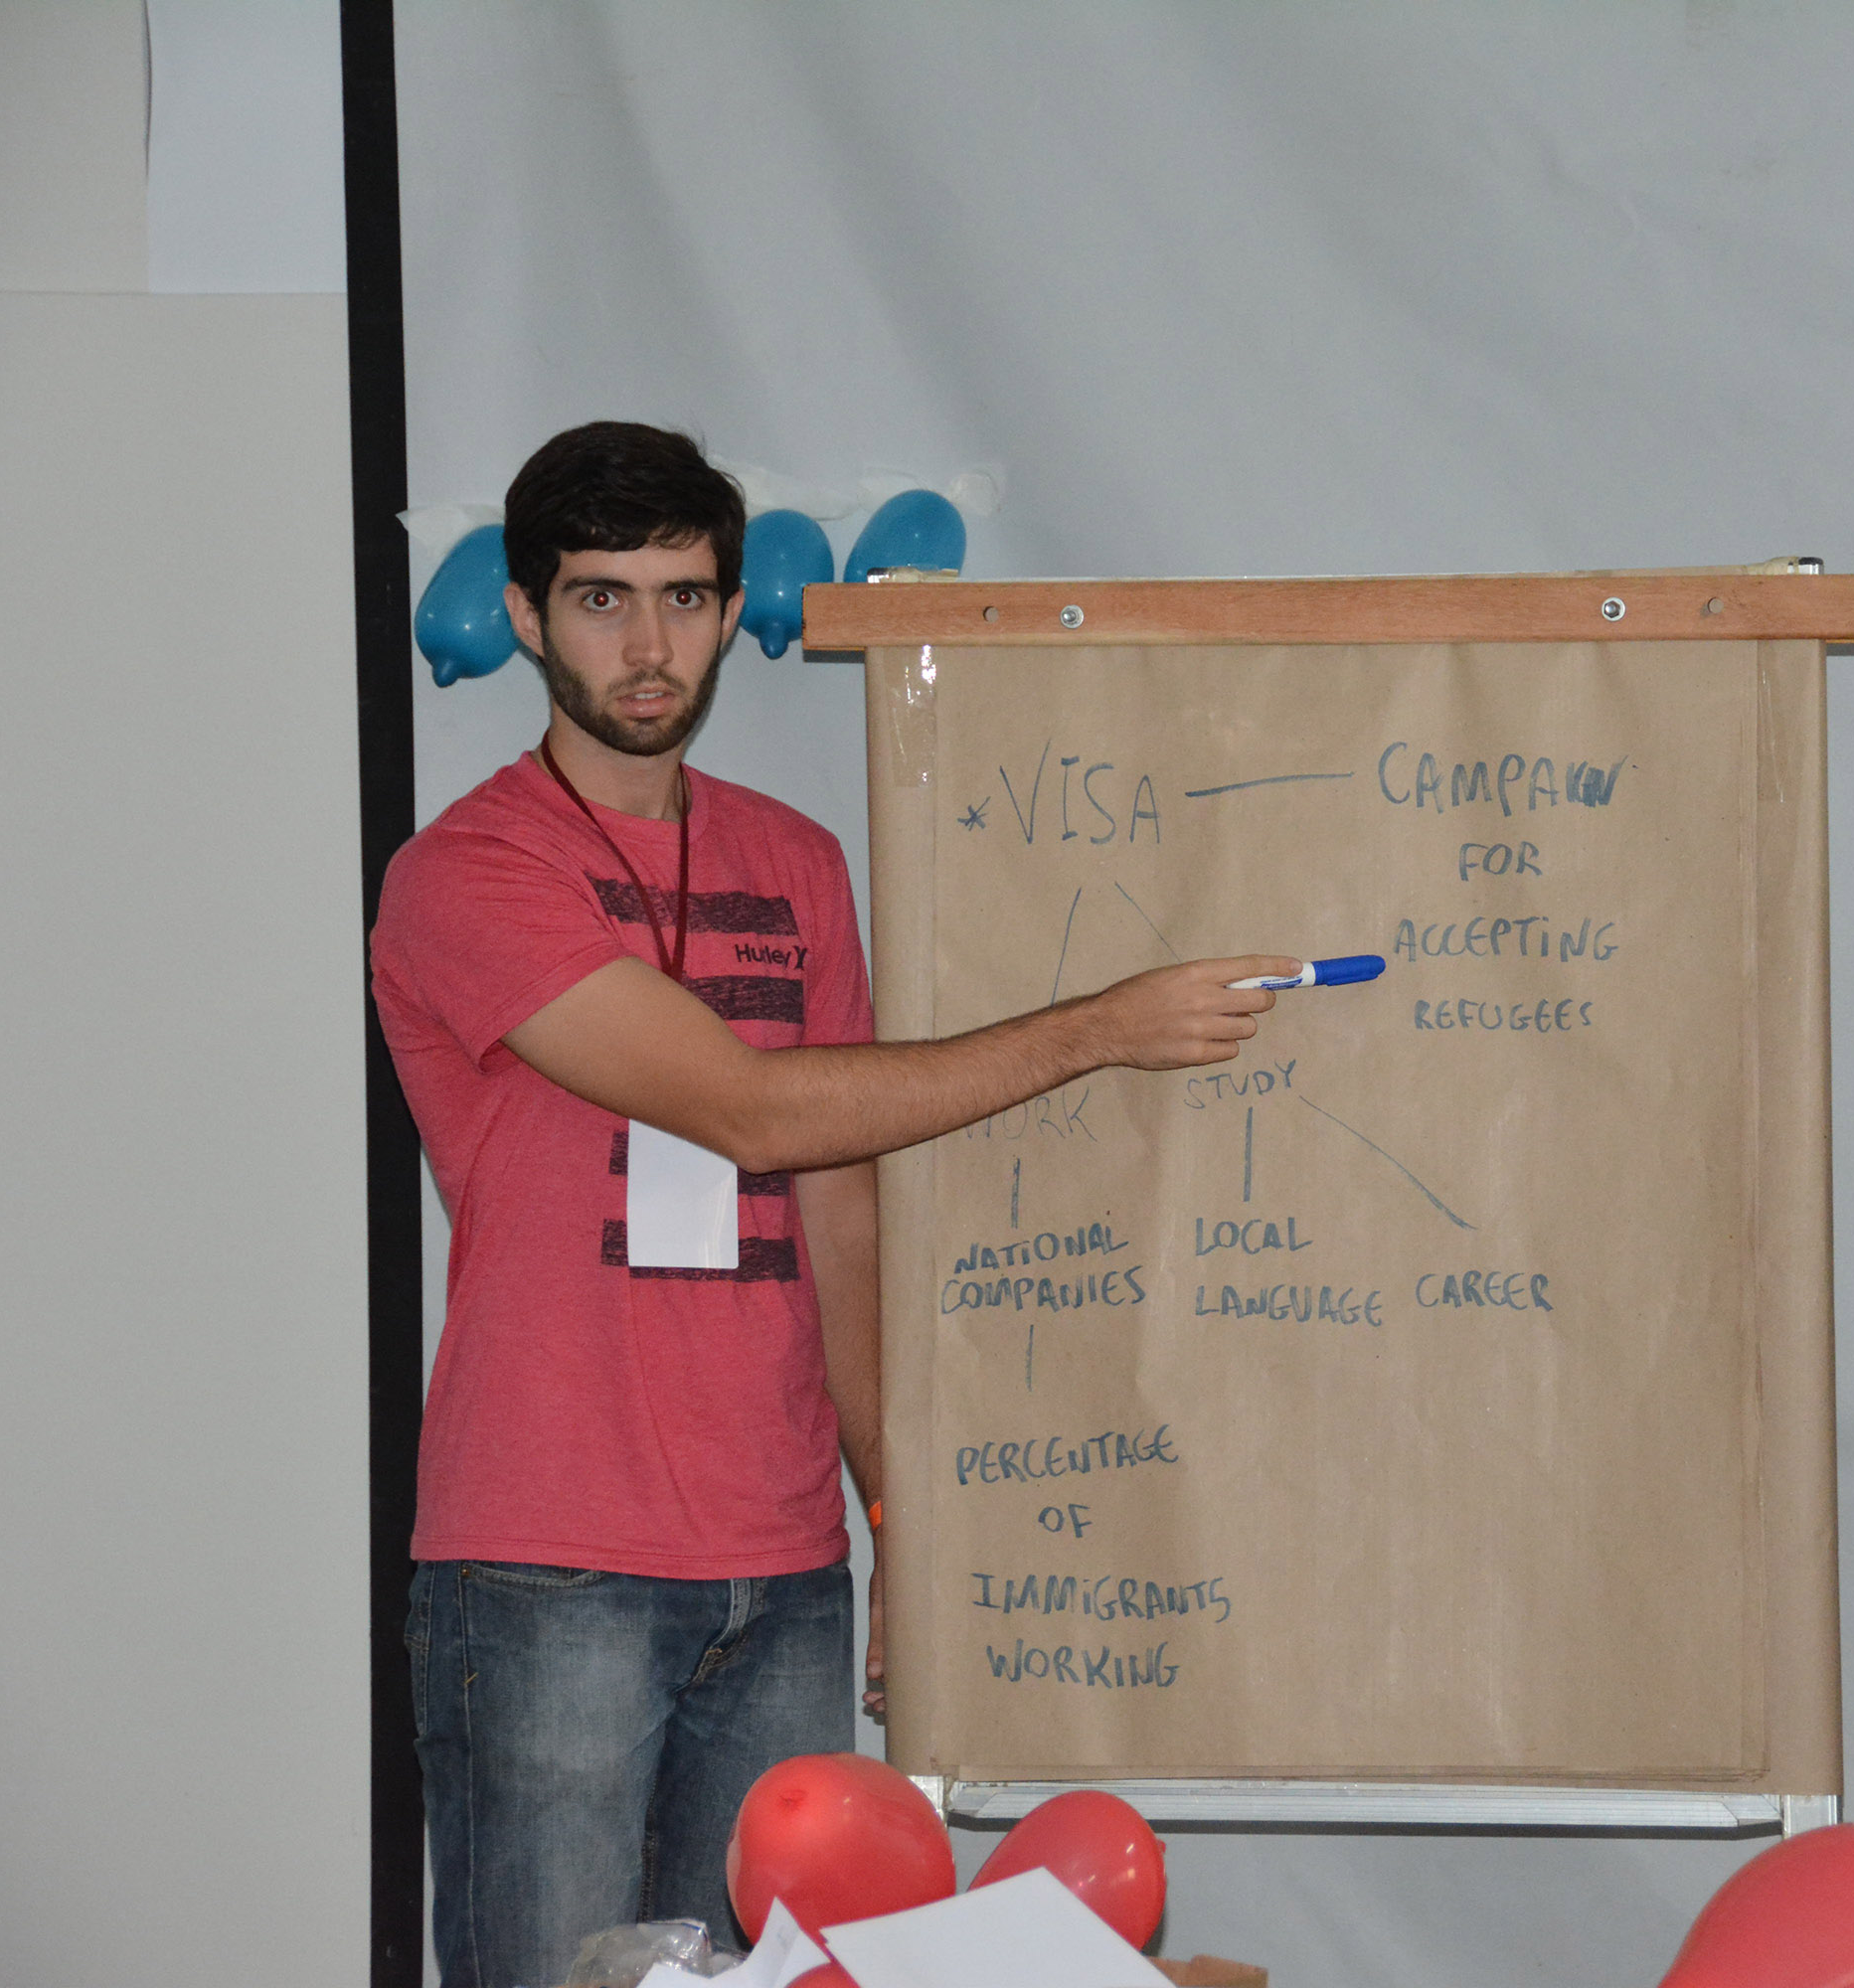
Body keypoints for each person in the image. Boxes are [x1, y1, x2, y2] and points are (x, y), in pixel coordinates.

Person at [372, 422, 1290, 1988]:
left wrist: (894, 1505)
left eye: (684, 597)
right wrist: (1098, 1030)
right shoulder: (466, 871)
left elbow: (838, 1197)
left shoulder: (793, 860)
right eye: (600, 599)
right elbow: (749, 1107)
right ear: (525, 614)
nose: (648, 646)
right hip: (547, 1564)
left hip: (784, 1562)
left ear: (734, 609)